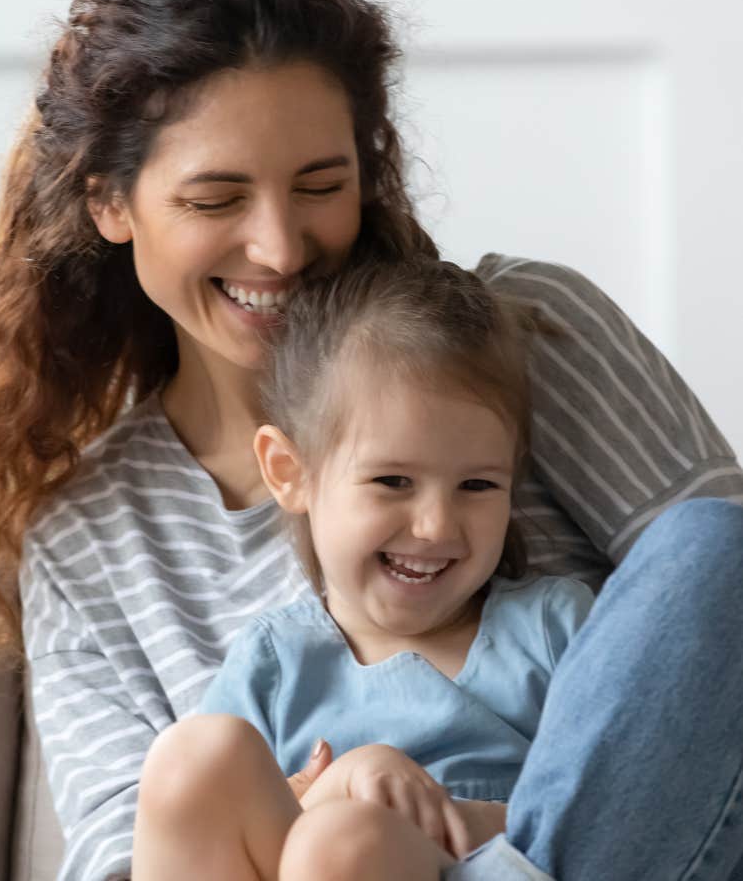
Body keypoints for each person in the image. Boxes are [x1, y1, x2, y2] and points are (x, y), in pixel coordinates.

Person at [0, 0, 741, 881]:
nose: (281, 248)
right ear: (110, 204)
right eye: (217, 200)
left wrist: (478, 821)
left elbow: (710, 652)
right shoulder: (89, 533)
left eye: (320, 185)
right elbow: (124, 860)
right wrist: (334, 803)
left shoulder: (525, 335)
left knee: (715, 545)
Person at [162, 255, 596, 880]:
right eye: (392, 481)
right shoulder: (275, 666)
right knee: (195, 755)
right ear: (290, 472)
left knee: (344, 842)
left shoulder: (553, 632)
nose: (437, 526)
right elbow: (236, 840)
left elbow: (623, 813)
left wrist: (457, 821)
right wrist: (338, 784)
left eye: (476, 484)